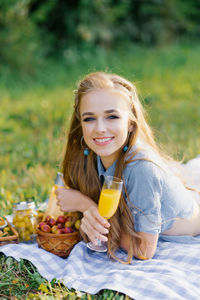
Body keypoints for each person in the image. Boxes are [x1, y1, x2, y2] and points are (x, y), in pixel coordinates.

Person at [56, 71, 200, 263]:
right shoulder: (91, 154)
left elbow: (143, 250)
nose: (99, 128)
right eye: (89, 119)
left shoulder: (142, 169)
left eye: (112, 117)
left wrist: (87, 206)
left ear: (131, 124)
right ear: (80, 123)